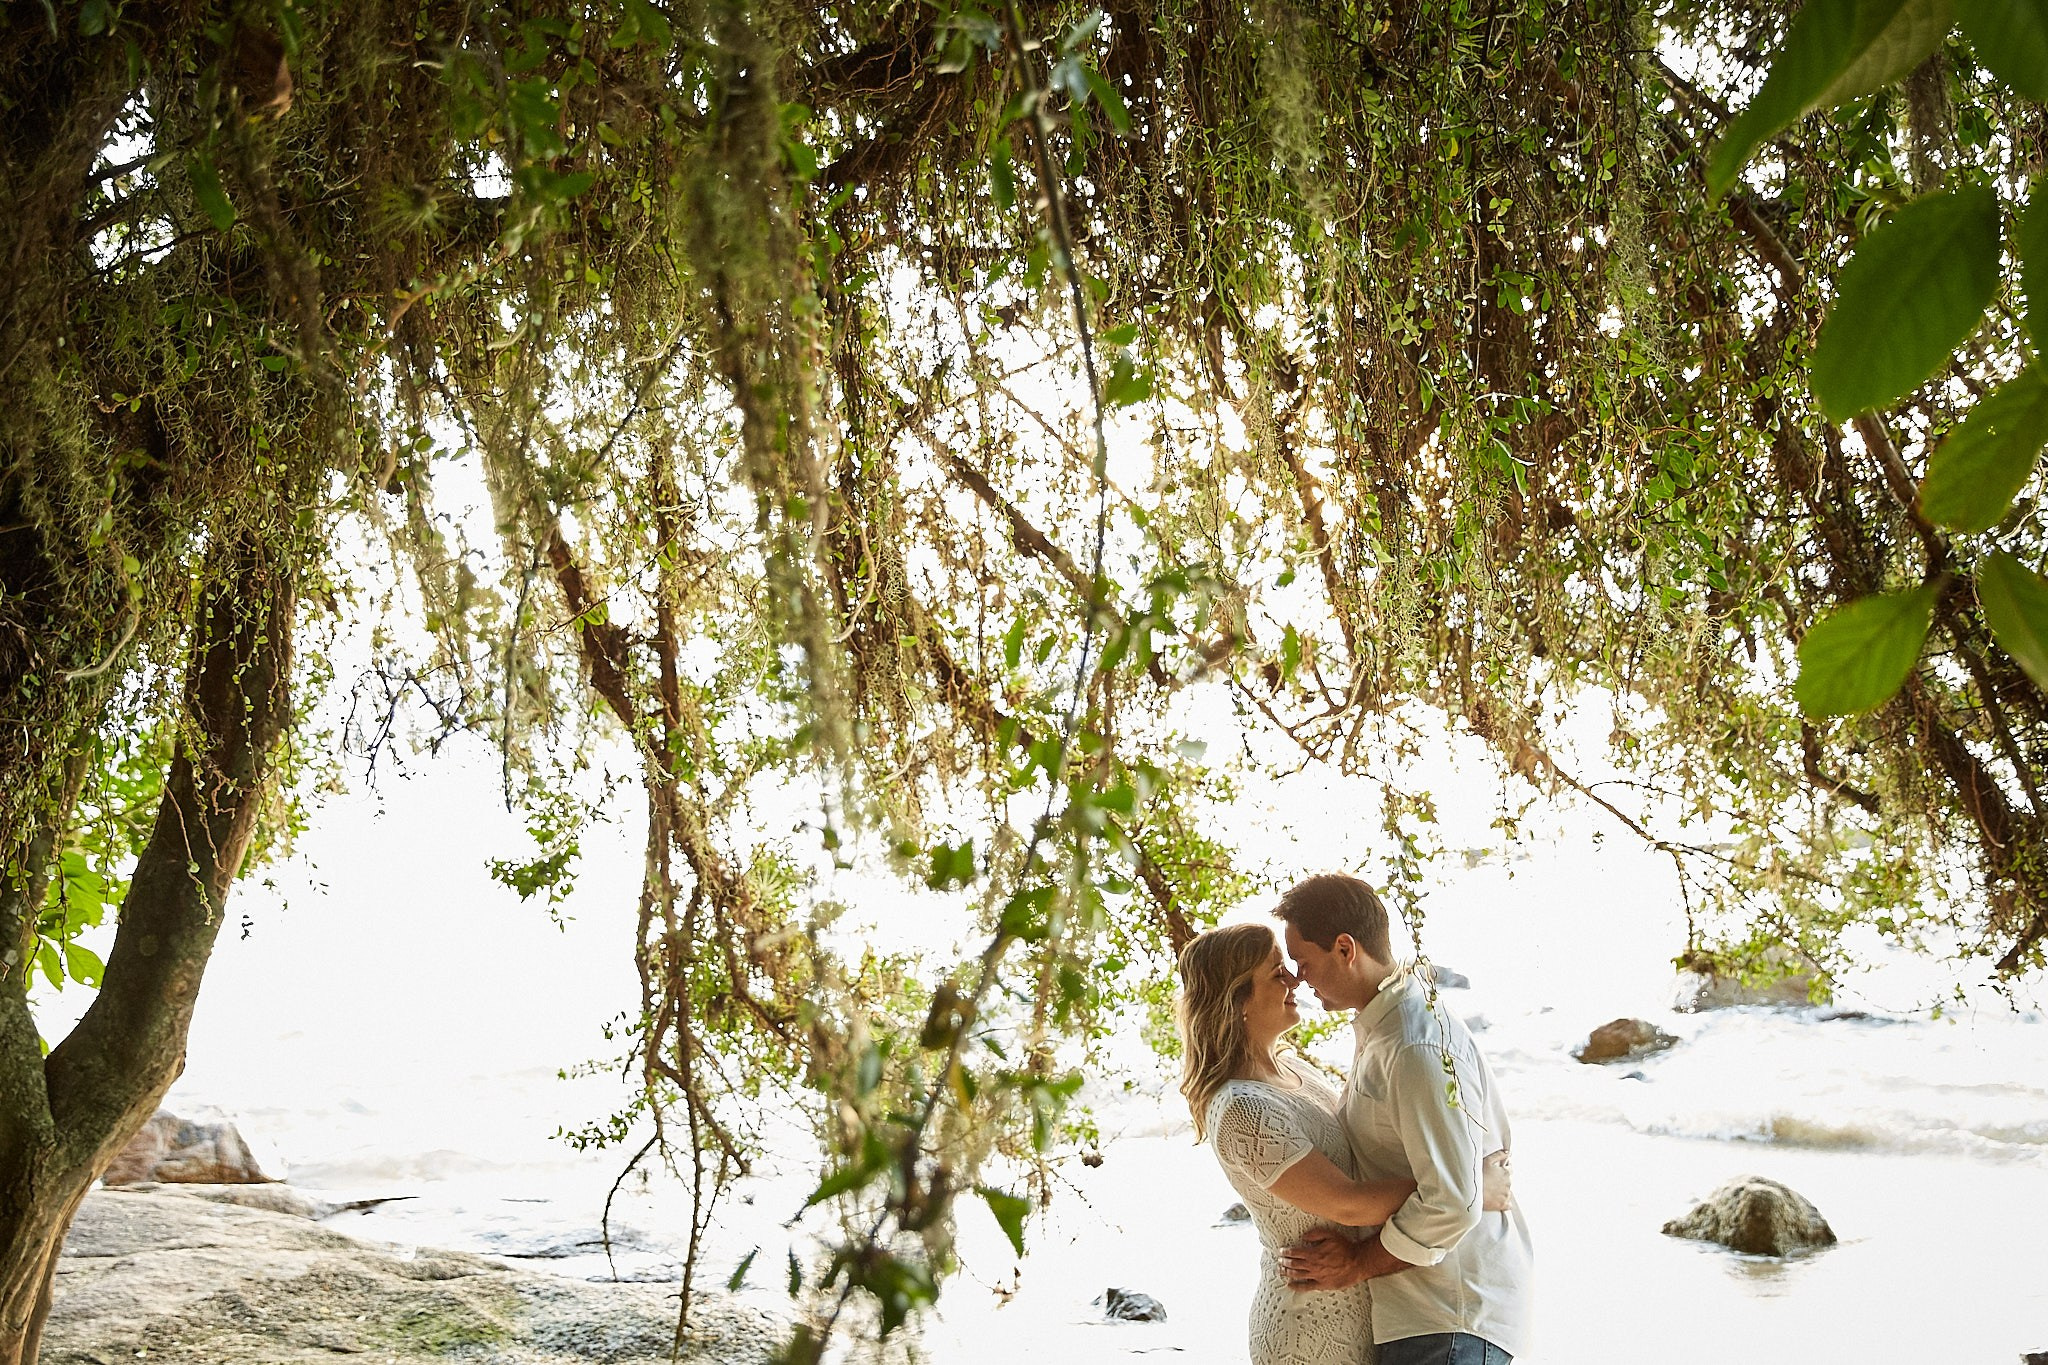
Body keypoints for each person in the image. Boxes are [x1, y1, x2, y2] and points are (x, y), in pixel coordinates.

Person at [1176, 923, 1511, 1365]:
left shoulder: (1298, 1072)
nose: (1295, 980)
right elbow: (1348, 1203)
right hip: (1308, 1327)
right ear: (1238, 1001)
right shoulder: (1242, 1108)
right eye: (1277, 973)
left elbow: (1364, 1157)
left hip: (1368, 1312)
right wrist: (1467, 1188)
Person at [1274, 874, 1533, 1365]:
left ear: (1345, 949)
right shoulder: (1386, 1028)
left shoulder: (1414, 1043)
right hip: (1429, 1314)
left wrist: (1356, 1263)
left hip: (1450, 1315)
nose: (1299, 979)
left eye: (1304, 962)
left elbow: (1452, 1202)